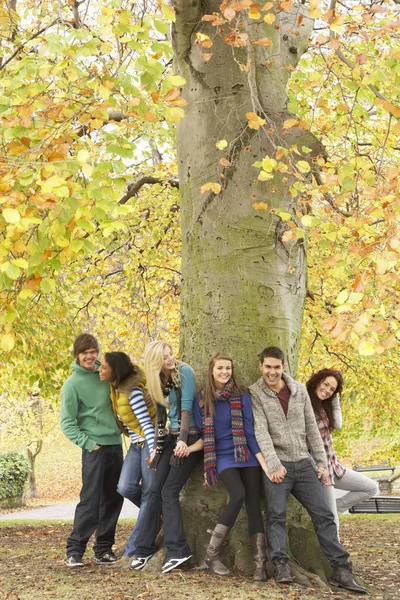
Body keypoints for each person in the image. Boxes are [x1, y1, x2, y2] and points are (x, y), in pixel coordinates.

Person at [249, 346, 367, 593]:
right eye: (268, 367)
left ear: (283, 367)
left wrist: (321, 464)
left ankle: (341, 569)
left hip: (304, 464)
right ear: (261, 366)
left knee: (323, 515)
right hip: (277, 466)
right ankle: (280, 564)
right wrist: (273, 464)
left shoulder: (299, 390)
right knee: (276, 515)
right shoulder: (255, 393)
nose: (272, 372)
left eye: (277, 367)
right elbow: (260, 431)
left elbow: (313, 430)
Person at [189, 352, 269, 580]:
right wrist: (188, 448)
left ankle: (260, 564)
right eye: (220, 368)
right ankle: (211, 555)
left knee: (254, 503)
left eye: (228, 368)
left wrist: (263, 462)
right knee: (238, 495)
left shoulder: (242, 396)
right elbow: (205, 436)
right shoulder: (201, 400)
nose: (225, 372)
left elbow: (249, 432)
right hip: (222, 456)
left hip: (246, 453)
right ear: (211, 371)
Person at [130, 341, 202, 574]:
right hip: (170, 439)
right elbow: (161, 420)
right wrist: (157, 452)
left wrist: (182, 440)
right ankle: (143, 549)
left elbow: (186, 408)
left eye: (171, 354)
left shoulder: (184, 372)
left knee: (168, 491)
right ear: (154, 362)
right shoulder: (158, 381)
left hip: (189, 438)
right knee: (152, 490)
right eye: (165, 356)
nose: (171, 359)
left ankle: (178, 550)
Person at [60, 333, 123, 567]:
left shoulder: (106, 374)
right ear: (77, 354)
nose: (89, 356)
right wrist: (89, 444)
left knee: (114, 498)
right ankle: (75, 550)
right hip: (94, 448)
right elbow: (67, 423)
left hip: (116, 445)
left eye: (93, 351)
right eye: (85, 352)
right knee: (90, 500)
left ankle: (104, 549)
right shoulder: (72, 384)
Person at [99, 351, 156, 559]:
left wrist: (155, 452)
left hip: (149, 444)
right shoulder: (115, 388)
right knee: (125, 487)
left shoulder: (132, 393)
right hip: (135, 444)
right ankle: (156, 513)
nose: (100, 369)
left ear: (115, 370)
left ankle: (134, 548)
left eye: (103, 367)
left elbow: (148, 427)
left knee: (149, 495)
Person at [306, 368, 379, 532]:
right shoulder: (304, 403)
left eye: (332, 389)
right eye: (325, 384)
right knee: (333, 524)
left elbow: (338, 424)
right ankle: (336, 558)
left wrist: (334, 398)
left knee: (371, 488)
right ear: (317, 381)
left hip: (335, 467)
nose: (327, 390)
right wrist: (318, 468)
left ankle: (334, 509)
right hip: (320, 470)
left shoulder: (325, 406)